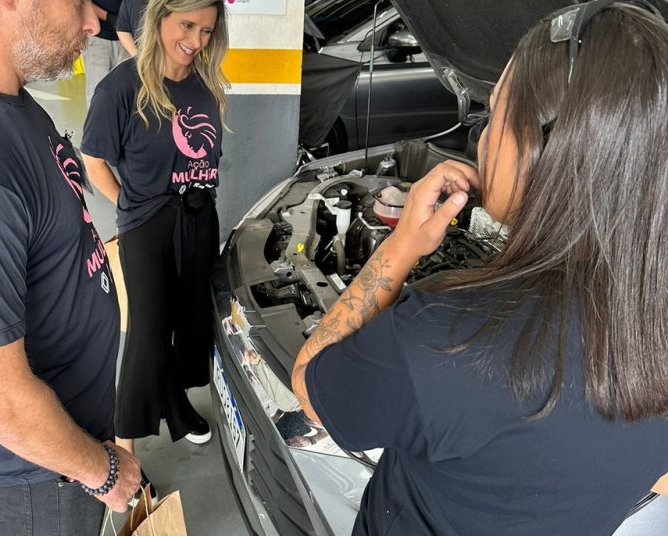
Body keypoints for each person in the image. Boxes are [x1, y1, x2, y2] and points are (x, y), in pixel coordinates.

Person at [292, 2, 668, 535]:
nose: (482, 138)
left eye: (494, 117)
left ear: (541, 153)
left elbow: (309, 387)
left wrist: (400, 247)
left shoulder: (446, 339)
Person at [0, 1, 142, 534]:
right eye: (79, 2)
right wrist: (104, 473)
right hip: (47, 474)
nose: (95, 23)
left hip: (62, 442)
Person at [80, 0, 229, 486]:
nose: (196, 40)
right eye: (187, 25)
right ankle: (123, 452)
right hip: (147, 224)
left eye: (206, 30)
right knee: (147, 334)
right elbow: (93, 160)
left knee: (189, 322)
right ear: (159, 17)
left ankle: (176, 406)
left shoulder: (205, 83)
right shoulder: (121, 87)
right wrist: (131, 206)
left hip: (199, 218)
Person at [84, 0, 130, 105]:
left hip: (128, 37)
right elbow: (83, 2)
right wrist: (108, 17)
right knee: (97, 89)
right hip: (99, 37)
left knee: (125, 89)